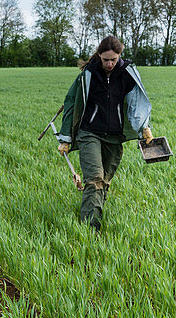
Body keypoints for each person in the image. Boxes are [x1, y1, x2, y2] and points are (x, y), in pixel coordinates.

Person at [56, 35, 153, 231]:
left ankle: (95, 213)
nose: (109, 64)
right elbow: (71, 103)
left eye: (113, 60)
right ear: (99, 55)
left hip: (114, 136)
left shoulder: (127, 74)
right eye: (105, 59)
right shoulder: (88, 74)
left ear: (120, 56)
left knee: (105, 181)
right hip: (89, 132)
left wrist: (144, 127)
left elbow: (137, 104)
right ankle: (90, 229)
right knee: (94, 179)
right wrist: (65, 138)